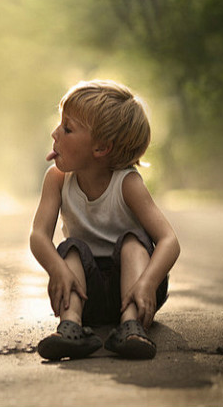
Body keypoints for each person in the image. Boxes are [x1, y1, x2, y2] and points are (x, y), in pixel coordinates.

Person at [29, 80, 180, 361]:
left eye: (67, 128)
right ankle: (71, 326)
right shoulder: (57, 179)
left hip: (137, 287)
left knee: (133, 243)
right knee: (71, 249)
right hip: (88, 295)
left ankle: (131, 327)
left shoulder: (127, 183)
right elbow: (38, 235)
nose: (55, 133)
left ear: (100, 148)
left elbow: (169, 241)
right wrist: (56, 269)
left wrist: (147, 283)